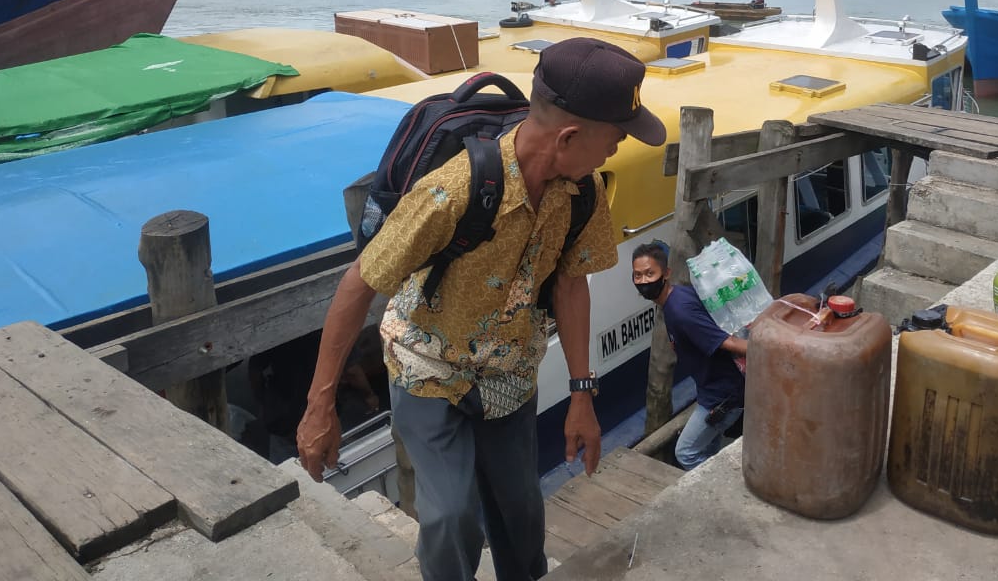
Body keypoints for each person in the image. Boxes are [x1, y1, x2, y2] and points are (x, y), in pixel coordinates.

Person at [296, 37, 666, 581]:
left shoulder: (578, 192)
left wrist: (583, 395)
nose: (616, 149)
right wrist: (319, 405)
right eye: (615, 137)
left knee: (520, 517)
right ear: (569, 136)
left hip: (509, 374)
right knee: (451, 519)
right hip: (428, 369)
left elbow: (570, 285)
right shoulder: (453, 192)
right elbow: (359, 284)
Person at [630, 242, 745, 470]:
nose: (644, 281)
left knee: (686, 452)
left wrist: (769, 347)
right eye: (638, 275)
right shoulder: (677, 298)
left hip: (722, 396)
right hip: (714, 390)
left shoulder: (680, 312)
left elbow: (726, 341)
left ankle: (719, 492)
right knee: (707, 451)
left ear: (666, 274)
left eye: (650, 274)